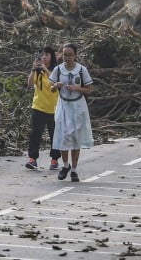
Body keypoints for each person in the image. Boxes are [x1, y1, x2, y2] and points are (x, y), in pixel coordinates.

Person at [49, 43, 94, 182]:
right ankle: (65, 165)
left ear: (75, 56)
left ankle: (74, 169)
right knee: (63, 136)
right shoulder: (58, 70)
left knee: (75, 137)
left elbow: (89, 89)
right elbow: (51, 89)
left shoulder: (81, 70)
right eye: (65, 54)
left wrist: (76, 88)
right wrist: (55, 85)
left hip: (78, 106)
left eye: (70, 55)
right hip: (63, 105)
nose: (67, 57)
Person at [25, 46, 61, 170]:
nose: (44, 57)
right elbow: (30, 84)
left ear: (52, 57)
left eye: (47, 55)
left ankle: (55, 159)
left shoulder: (56, 70)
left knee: (55, 135)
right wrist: (33, 69)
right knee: (35, 133)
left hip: (54, 107)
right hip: (38, 106)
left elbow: (54, 81)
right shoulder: (38, 71)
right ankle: (32, 158)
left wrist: (45, 69)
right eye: (42, 55)